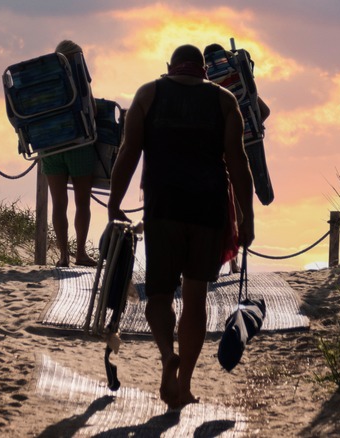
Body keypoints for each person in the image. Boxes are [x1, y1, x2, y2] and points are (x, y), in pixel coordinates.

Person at [107, 44, 255, 409]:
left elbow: (128, 152)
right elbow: (238, 163)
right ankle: (184, 386)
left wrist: (113, 203)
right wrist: (247, 216)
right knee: (195, 297)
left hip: (164, 206)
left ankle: (166, 356)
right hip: (208, 209)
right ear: (203, 71)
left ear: (170, 67)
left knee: (157, 296)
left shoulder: (149, 94)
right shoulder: (224, 101)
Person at [203, 43, 271, 273]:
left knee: (224, 199)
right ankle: (237, 256)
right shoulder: (238, 80)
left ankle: (224, 255)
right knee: (241, 196)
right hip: (245, 142)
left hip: (217, 149)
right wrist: (253, 126)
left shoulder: (208, 85)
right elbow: (264, 111)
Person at [42, 40, 97, 268]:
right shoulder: (80, 80)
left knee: (58, 204)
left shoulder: (45, 81)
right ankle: (81, 253)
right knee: (82, 202)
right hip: (79, 147)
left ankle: (64, 256)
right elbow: (91, 110)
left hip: (51, 149)